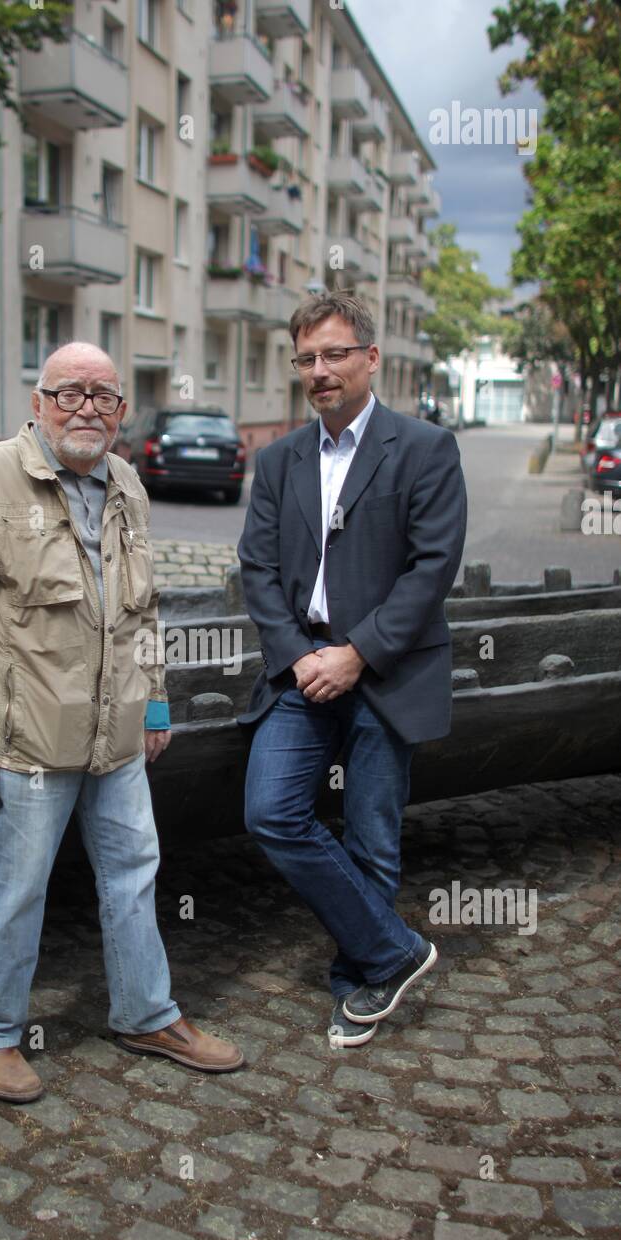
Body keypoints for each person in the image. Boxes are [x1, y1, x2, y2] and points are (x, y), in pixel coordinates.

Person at [0, 342, 243, 1101]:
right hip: (23, 738)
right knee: (14, 888)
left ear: (121, 412)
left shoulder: (127, 480)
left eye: (103, 396)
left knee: (135, 875)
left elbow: (144, 609)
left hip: (118, 731)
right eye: (69, 393)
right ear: (38, 403)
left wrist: (155, 701)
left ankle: (146, 1014)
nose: (86, 408)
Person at [237, 292, 467, 1047]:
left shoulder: (426, 448)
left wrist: (357, 652)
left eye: (335, 354)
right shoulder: (278, 460)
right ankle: (395, 953)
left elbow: (431, 571)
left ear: (372, 358)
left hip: (385, 671)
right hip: (302, 673)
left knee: (371, 836)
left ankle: (359, 985)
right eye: (306, 358)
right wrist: (303, 656)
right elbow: (258, 570)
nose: (319, 371)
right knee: (271, 812)